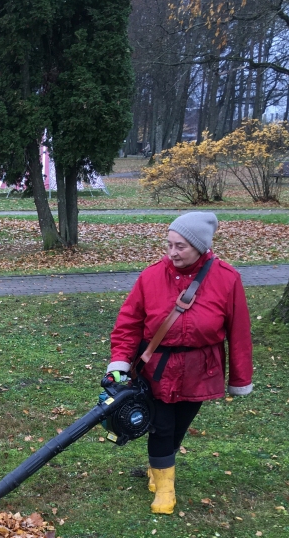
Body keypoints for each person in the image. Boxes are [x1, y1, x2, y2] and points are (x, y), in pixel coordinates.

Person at [106, 211, 253, 515]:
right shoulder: (150, 276)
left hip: (200, 369)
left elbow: (239, 332)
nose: (172, 252)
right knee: (161, 426)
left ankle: (159, 468)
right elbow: (128, 323)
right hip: (156, 367)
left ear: (200, 246)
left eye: (180, 246)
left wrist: (240, 379)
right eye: (169, 244)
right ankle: (164, 489)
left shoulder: (227, 278)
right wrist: (120, 361)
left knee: (178, 427)